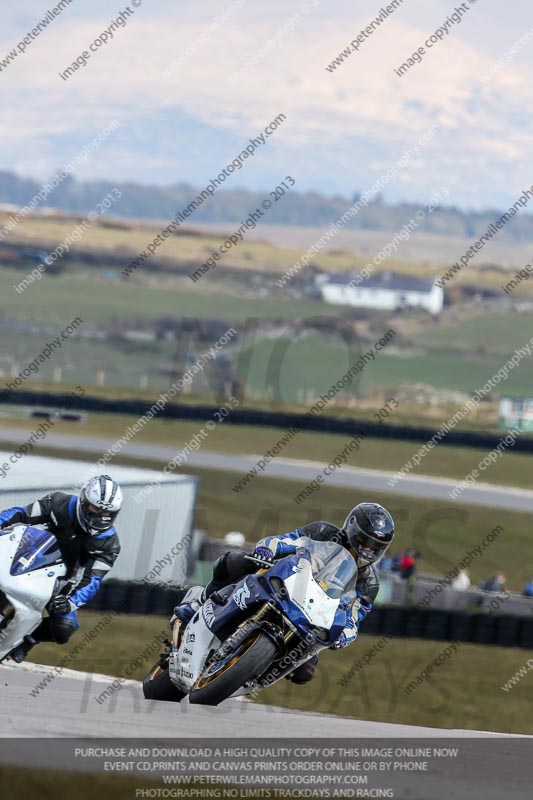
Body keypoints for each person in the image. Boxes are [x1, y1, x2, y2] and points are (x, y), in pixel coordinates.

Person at [176, 502, 395, 684]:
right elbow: (290, 539)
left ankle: (252, 672)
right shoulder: (324, 532)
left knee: (304, 672)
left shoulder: (369, 582)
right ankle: (199, 603)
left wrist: (345, 635)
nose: (368, 549)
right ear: (352, 529)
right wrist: (269, 548)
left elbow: (355, 618)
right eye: (364, 541)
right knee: (234, 562)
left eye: (375, 546)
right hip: (287, 582)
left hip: (314, 615)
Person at [0, 475, 122, 662]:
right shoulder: (58, 503)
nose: (99, 515)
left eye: (107, 513)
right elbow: (20, 514)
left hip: (58, 581)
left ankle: (26, 642)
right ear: (83, 501)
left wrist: (70, 602)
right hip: (24, 557)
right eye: (96, 508)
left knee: (65, 626)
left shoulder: (109, 544)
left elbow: (93, 579)